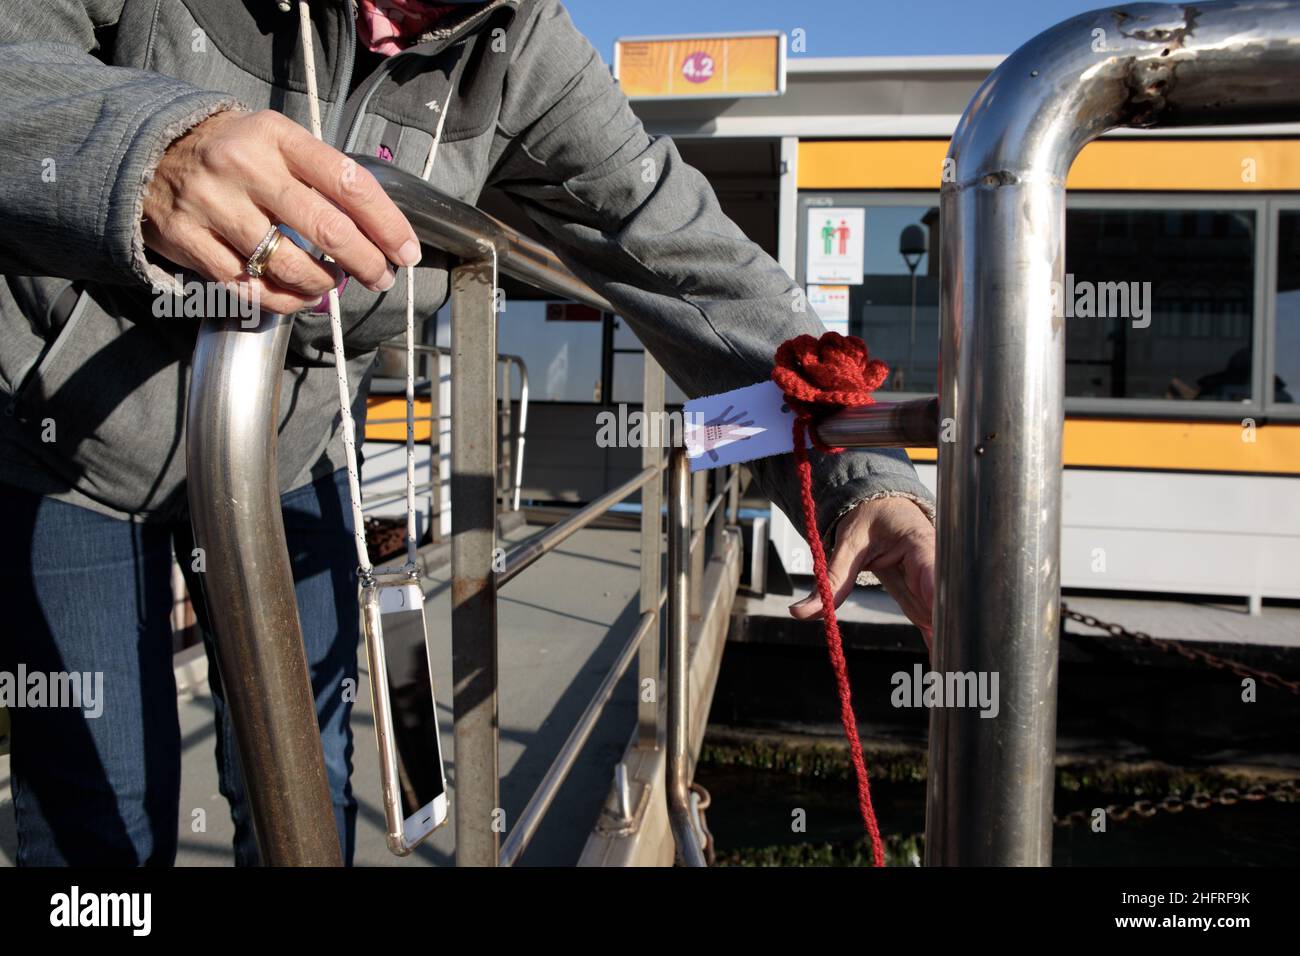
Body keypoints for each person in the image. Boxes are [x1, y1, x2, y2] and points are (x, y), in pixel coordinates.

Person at [0, 0, 936, 866]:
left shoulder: (518, 42)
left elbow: (676, 250)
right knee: (95, 817)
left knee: (303, 785)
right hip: (71, 450)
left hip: (287, 450)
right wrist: (147, 150)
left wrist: (866, 474)